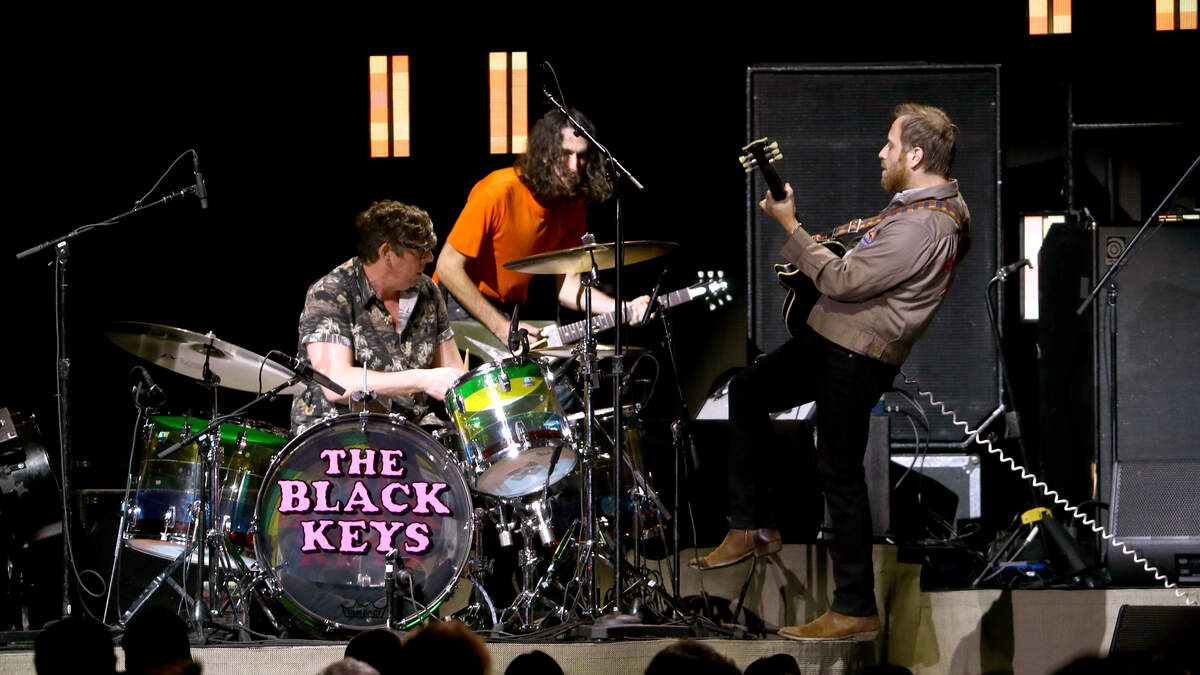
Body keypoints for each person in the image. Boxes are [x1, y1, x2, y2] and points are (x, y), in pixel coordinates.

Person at [691, 103, 970, 642]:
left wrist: (789, 225)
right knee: (746, 390)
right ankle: (751, 525)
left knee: (839, 473)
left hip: (855, 356)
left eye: (891, 145)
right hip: (831, 341)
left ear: (915, 156)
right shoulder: (918, 210)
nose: (881, 153)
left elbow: (843, 280)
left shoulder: (927, 224)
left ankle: (855, 607)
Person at [435, 108, 649, 346]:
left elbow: (569, 288)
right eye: (565, 154)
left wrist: (624, 308)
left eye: (581, 157)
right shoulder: (497, 190)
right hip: (453, 306)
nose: (574, 167)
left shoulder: (573, 207)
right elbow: (447, 267)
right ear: (545, 152)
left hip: (505, 313)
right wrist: (501, 328)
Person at [290, 200, 465, 435]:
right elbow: (337, 384)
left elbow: (454, 375)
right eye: (421, 251)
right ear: (387, 253)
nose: (430, 258)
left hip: (408, 438)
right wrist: (422, 379)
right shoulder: (331, 292)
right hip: (336, 438)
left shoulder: (427, 292)